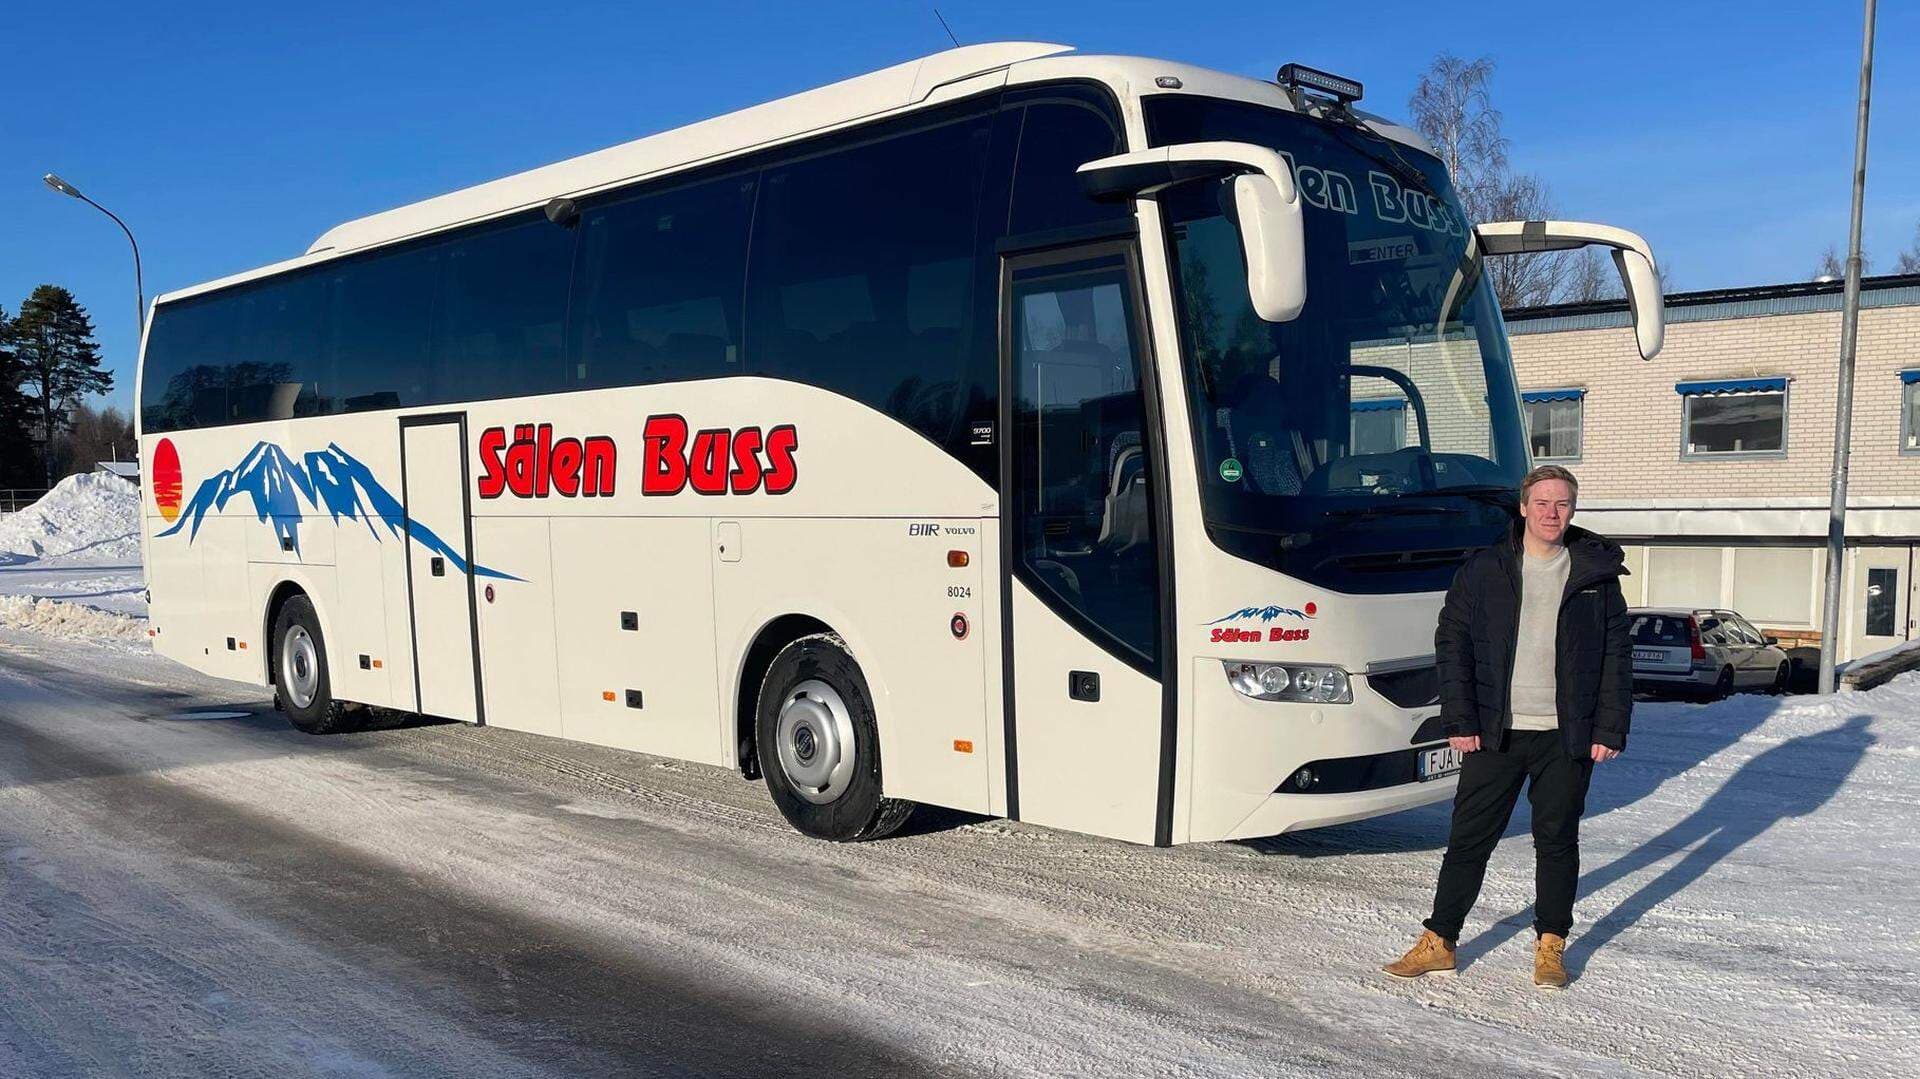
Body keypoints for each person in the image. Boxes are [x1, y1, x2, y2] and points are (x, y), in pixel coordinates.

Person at [1382, 464, 1631, 989]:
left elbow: (1615, 656)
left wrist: (1608, 728)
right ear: (1522, 508)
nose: (1551, 513)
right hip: (1495, 732)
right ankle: (1440, 941)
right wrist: (1460, 718)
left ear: (1573, 510)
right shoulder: (1486, 568)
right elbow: (1452, 645)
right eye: (1542, 503)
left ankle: (1550, 944)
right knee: (1469, 840)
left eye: (1561, 504)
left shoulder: (1595, 576)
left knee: (1557, 840)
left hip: (1566, 735)